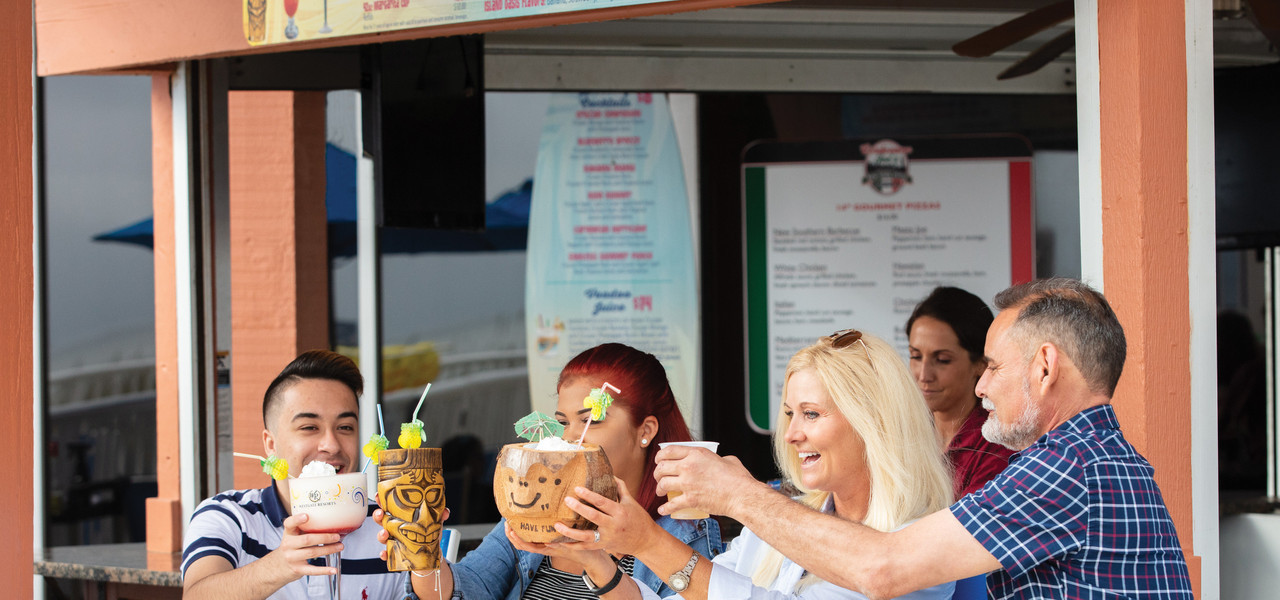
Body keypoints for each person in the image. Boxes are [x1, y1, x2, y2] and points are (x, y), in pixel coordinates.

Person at [647, 278, 1194, 599]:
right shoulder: (1102, 458)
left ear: (1045, 366)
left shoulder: (1066, 465)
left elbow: (883, 569)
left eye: (995, 366)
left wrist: (738, 496)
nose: (980, 385)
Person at [553, 330, 957, 600]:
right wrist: (594, 558)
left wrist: (650, 540)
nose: (791, 434)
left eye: (811, 414)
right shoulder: (783, 520)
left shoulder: (919, 542)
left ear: (874, 422)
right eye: (789, 414)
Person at [385, 342, 723, 600]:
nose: (572, 436)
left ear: (645, 430)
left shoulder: (684, 532)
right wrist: (423, 552)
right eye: (563, 422)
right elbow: (468, 589)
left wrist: (594, 561)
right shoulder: (532, 510)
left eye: (591, 419)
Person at [182, 350, 411, 600]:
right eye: (309, 427)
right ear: (271, 444)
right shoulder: (228, 516)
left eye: (345, 427)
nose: (331, 445)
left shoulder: (387, 524)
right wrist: (279, 566)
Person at [906, 286, 1013, 498]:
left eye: (942, 360)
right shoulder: (904, 434)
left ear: (980, 365)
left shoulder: (997, 445)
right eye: (916, 356)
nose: (924, 375)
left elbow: (965, 528)